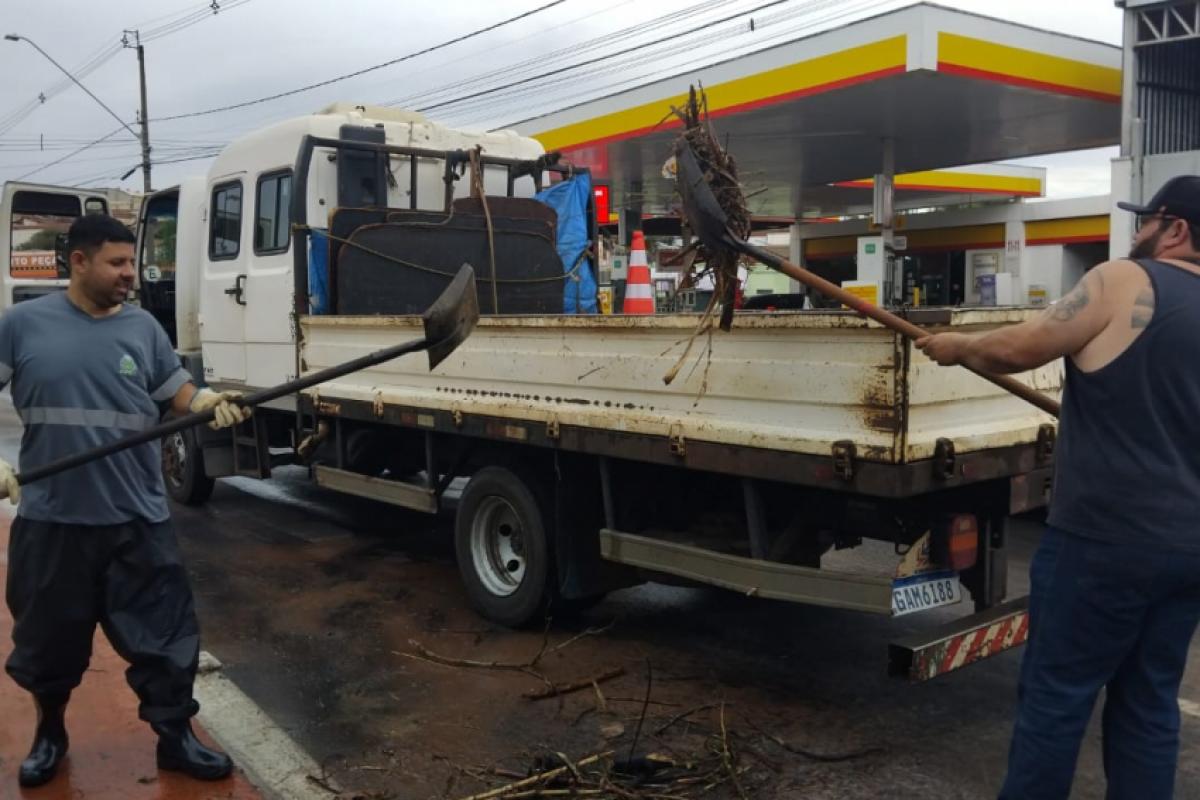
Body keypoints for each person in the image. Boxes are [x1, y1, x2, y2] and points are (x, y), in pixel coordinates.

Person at [915, 175, 1200, 800]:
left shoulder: (1125, 280)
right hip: (1188, 551)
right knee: (1148, 703)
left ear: (1175, 229)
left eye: (1146, 220)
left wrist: (958, 346)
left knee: (1057, 700)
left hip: (1104, 543)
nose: (1137, 231)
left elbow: (1022, 347)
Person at [0, 213, 251, 788]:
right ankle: (51, 734)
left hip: (138, 518)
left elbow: (174, 390)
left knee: (165, 641)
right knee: (47, 646)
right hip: (52, 521)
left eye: (131, 262)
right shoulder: (21, 326)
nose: (129, 275)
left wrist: (209, 400)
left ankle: (175, 738)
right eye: (116, 263)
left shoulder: (142, 329)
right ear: (79, 261)